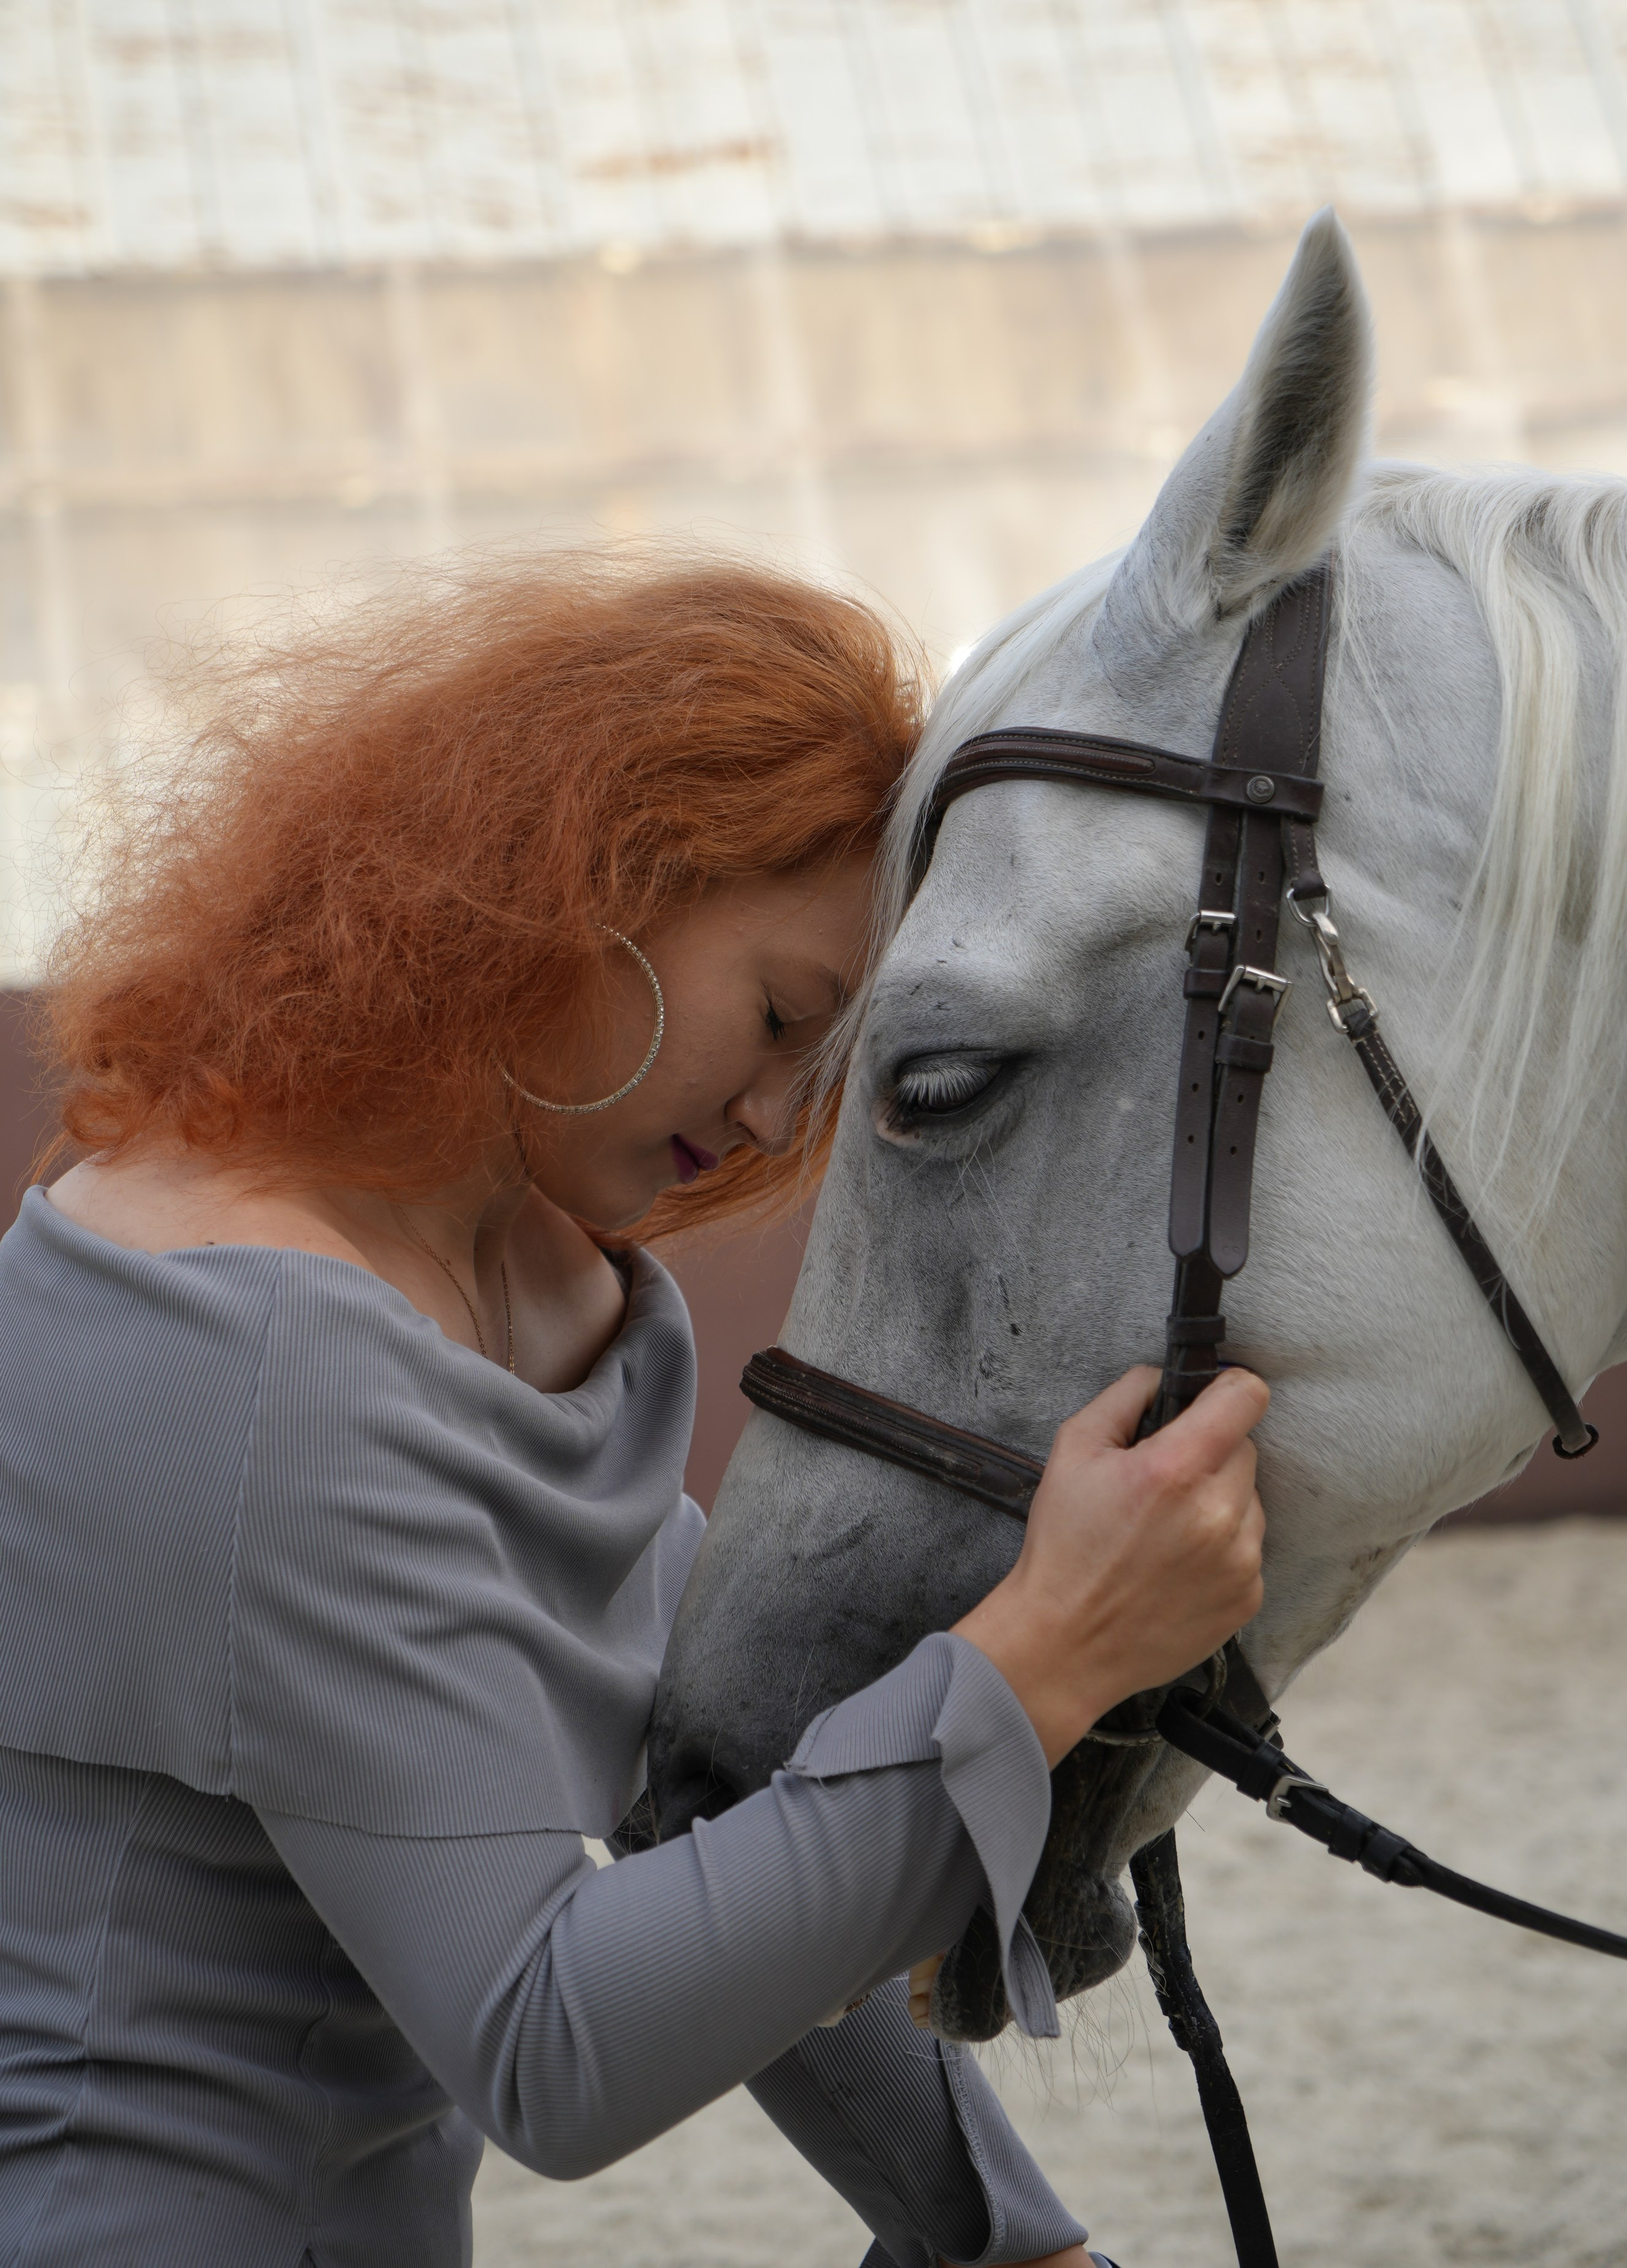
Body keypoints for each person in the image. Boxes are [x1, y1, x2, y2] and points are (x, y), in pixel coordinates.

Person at [0, 554, 1266, 2268]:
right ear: (587, 881)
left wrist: (1001, 2240)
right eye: (778, 1016)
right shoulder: (257, 1353)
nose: (766, 1120)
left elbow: (733, 1810)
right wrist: (1040, 1661)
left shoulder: (538, 1282)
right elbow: (554, 2050)